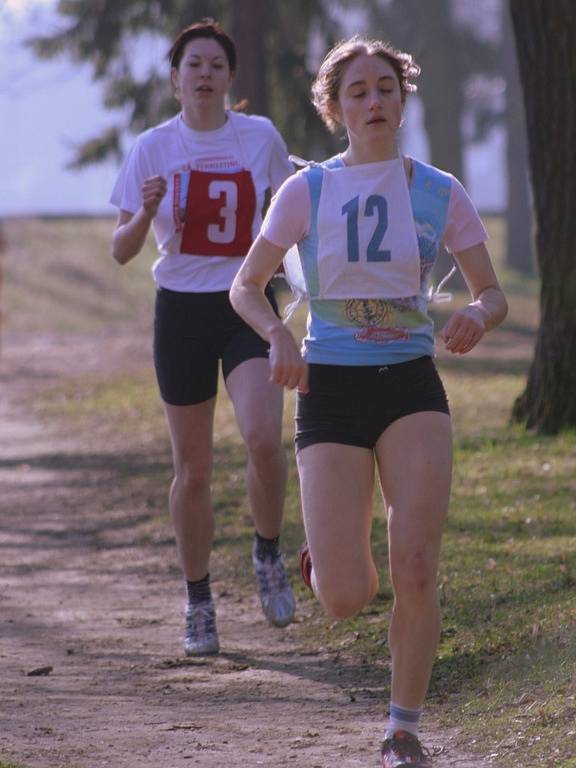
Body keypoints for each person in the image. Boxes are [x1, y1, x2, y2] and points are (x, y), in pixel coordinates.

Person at [230, 35, 508, 767]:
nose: (375, 101)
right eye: (358, 91)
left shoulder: (438, 189)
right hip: (329, 387)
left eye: (386, 87)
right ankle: (325, 563)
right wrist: (278, 339)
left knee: (416, 565)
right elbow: (245, 284)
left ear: (402, 98)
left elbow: (492, 290)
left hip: (412, 385)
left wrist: (479, 314)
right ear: (335, 109)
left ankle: (402, 730)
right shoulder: (306, 191)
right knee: (348, 597)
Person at [109, 19, 296, 657]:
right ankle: (197, 599)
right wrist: (143, 212)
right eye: (194, 65)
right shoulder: (152, 147)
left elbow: (287, 215)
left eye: (216, 64)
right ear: (175, 78)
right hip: (182, 312)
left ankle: (266, 551)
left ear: (230, 77)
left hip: (245, 303)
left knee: (265, 440)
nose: (205, 75)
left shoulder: (261, 137)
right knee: (192, 471)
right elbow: (121, 250)